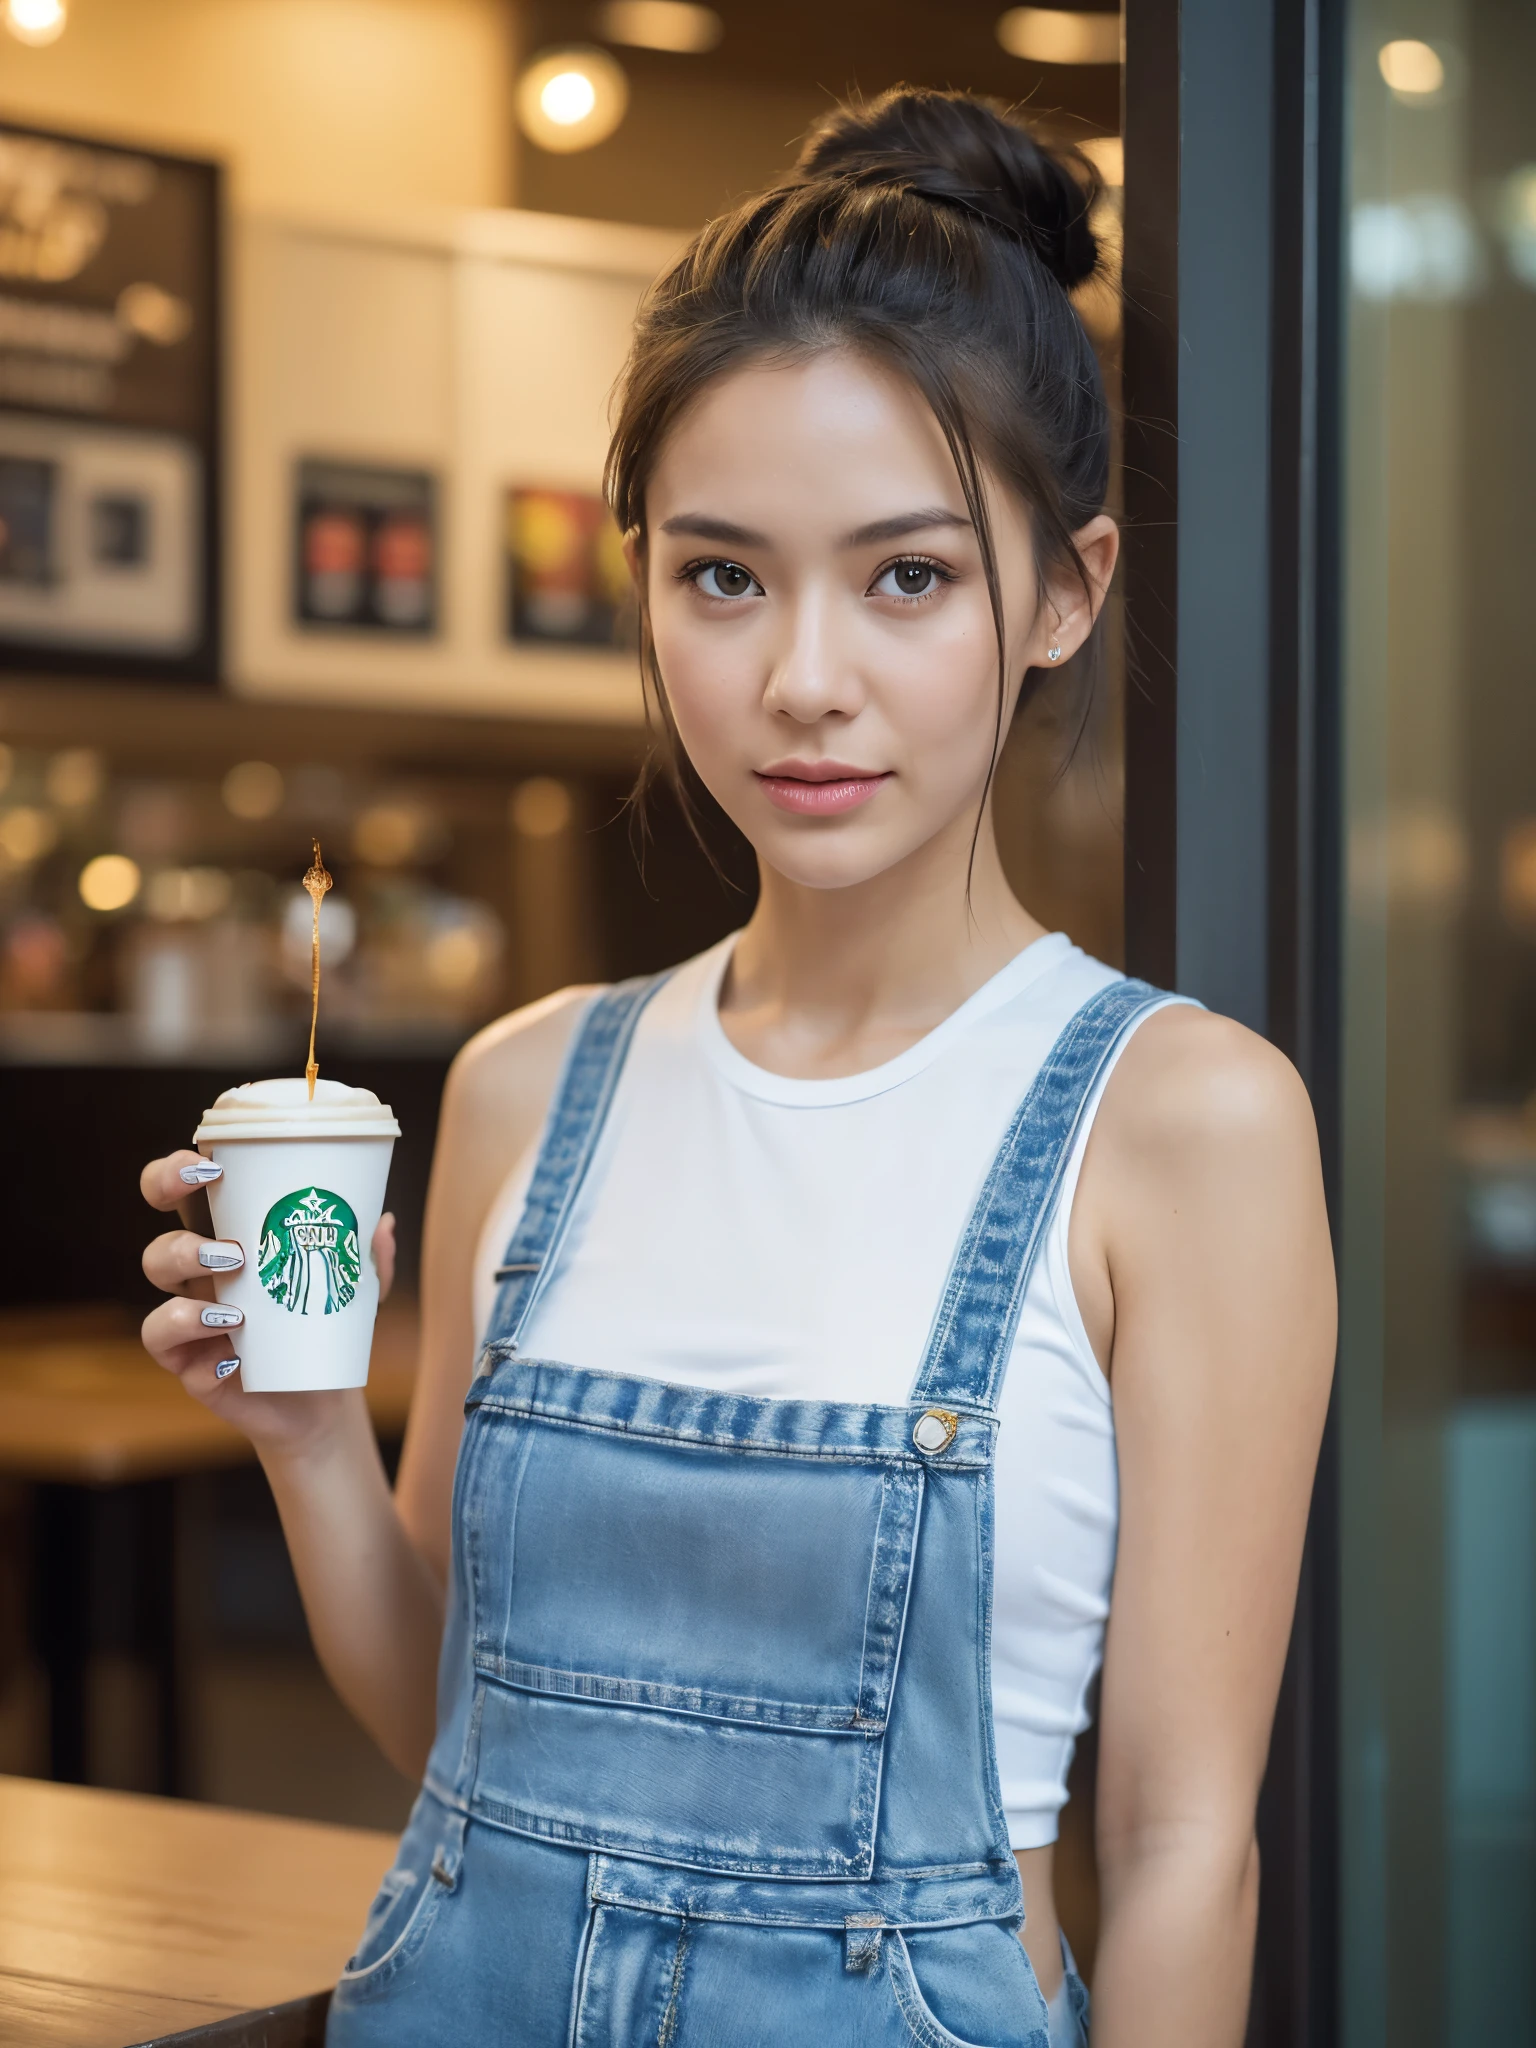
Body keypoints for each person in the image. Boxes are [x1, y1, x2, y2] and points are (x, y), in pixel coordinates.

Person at [139, 88, 1335, 2048]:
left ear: (1067, 591)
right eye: (721, 576)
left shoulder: (1185, 1121)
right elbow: (463, 1714)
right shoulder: (534, 1084)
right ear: (641, 582)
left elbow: (1191, 1838)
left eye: (907, 577)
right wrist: (299, 1440)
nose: (801, 677)